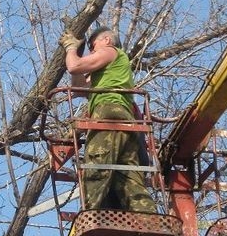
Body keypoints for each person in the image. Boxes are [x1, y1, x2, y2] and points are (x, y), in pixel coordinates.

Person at [59, 26, 157, 213]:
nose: (92, 52)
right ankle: (147, 218)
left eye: (93, 47)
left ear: (106, 40)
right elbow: (79, 88)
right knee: (128, 177)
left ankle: (93, 218)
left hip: (108, 115)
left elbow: (74, 66)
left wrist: (71, 49)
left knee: (98, 166)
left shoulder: (110, 51)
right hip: (126, 122)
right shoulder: (108, 72)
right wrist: (76, 53)